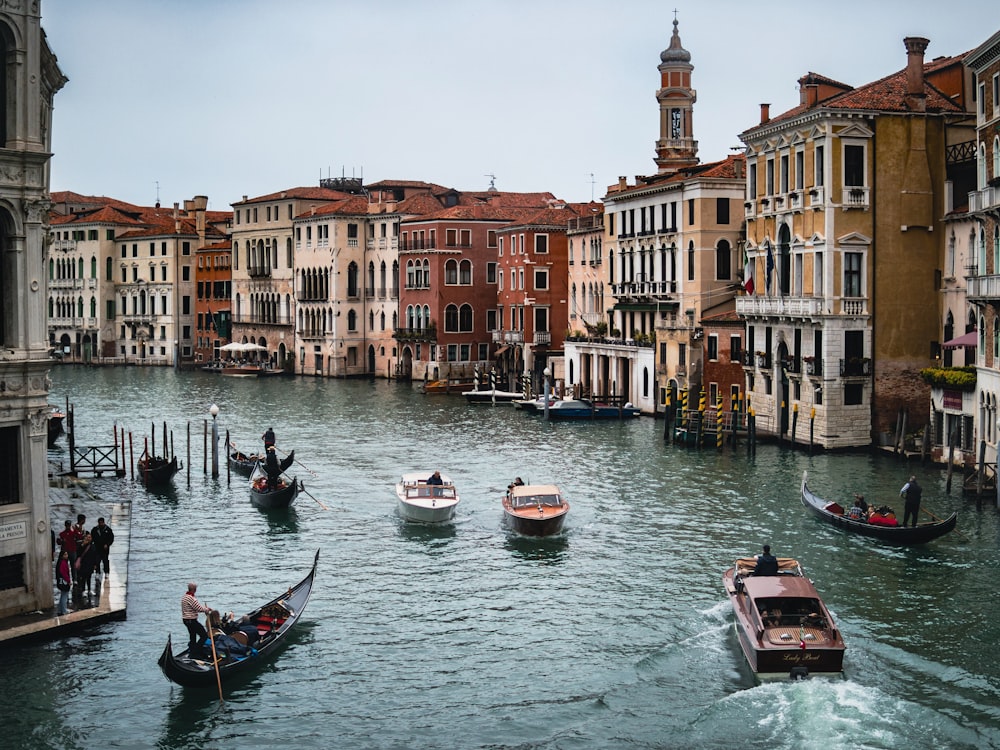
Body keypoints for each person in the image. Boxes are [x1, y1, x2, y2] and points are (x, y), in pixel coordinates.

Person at [181, 582, 212, 658]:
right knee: (204, 636)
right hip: (192, 620)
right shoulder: (191, 598)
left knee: (193, 636)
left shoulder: (184, 597)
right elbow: (198, 608)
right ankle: (195, 652)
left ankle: (192, 652)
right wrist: (207, 609)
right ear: (194, 589)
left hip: (186, 620)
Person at [74, 532, 98, 598]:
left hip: (90, 564)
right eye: (87, 537)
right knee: (83, 578)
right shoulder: (82, 545)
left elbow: (95, 555)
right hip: (83, 564)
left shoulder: (93, 545)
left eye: (90, 537)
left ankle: (89, 589)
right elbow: (78, 553)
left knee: (89, 578)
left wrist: (95, 564)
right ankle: (83, 590)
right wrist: (82, 545)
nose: (88, 538)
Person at [57, 520, 79, 584]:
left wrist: (75, 530)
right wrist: (60, 541)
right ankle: (66, 578)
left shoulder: (74, 533)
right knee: (65, 566)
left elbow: (79, 536)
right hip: (65, 552)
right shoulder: (62, 534)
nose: (68, 527)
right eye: (67, 525)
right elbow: (59, 542)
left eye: (69, 525)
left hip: (72, 551)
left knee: (73, 566)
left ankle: (74, 579)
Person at [55, 549, 72, 616]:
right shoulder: (63, 563)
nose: (66, 556)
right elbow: (64, 573)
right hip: (64, 582)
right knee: (64, 596)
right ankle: (64, 610)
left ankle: (60, 610)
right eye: (65, 554)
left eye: (67, 554)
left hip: (61, 582)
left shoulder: (60, 562)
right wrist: (68, 581)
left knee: (62, 595)